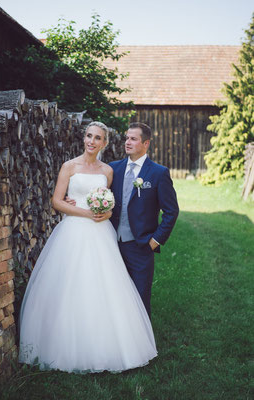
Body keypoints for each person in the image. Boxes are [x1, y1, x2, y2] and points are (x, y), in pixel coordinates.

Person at [18, 121, 157, 373]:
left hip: (102, 233)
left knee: (104, 284)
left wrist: (107, 211)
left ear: (104, 143)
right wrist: (84, 211)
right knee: (70, 282)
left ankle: (108, 342)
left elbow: (115, 201)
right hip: (73, 231)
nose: (91, 141)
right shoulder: (69, 166)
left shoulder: (108, 171)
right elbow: (57, 202)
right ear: (84, 138)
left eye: (97, 138)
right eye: (89, 136)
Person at [109, 122, 179, 318]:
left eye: (133, 139)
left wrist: (155, 241)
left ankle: (142, 345)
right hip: (112, 244)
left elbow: (171, 211)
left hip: (141, 246)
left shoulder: (158, 173)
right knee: (114, 295)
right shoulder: (114, 169)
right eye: (126, 138)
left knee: (140, 297)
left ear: (146, 143)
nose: (127, 142)